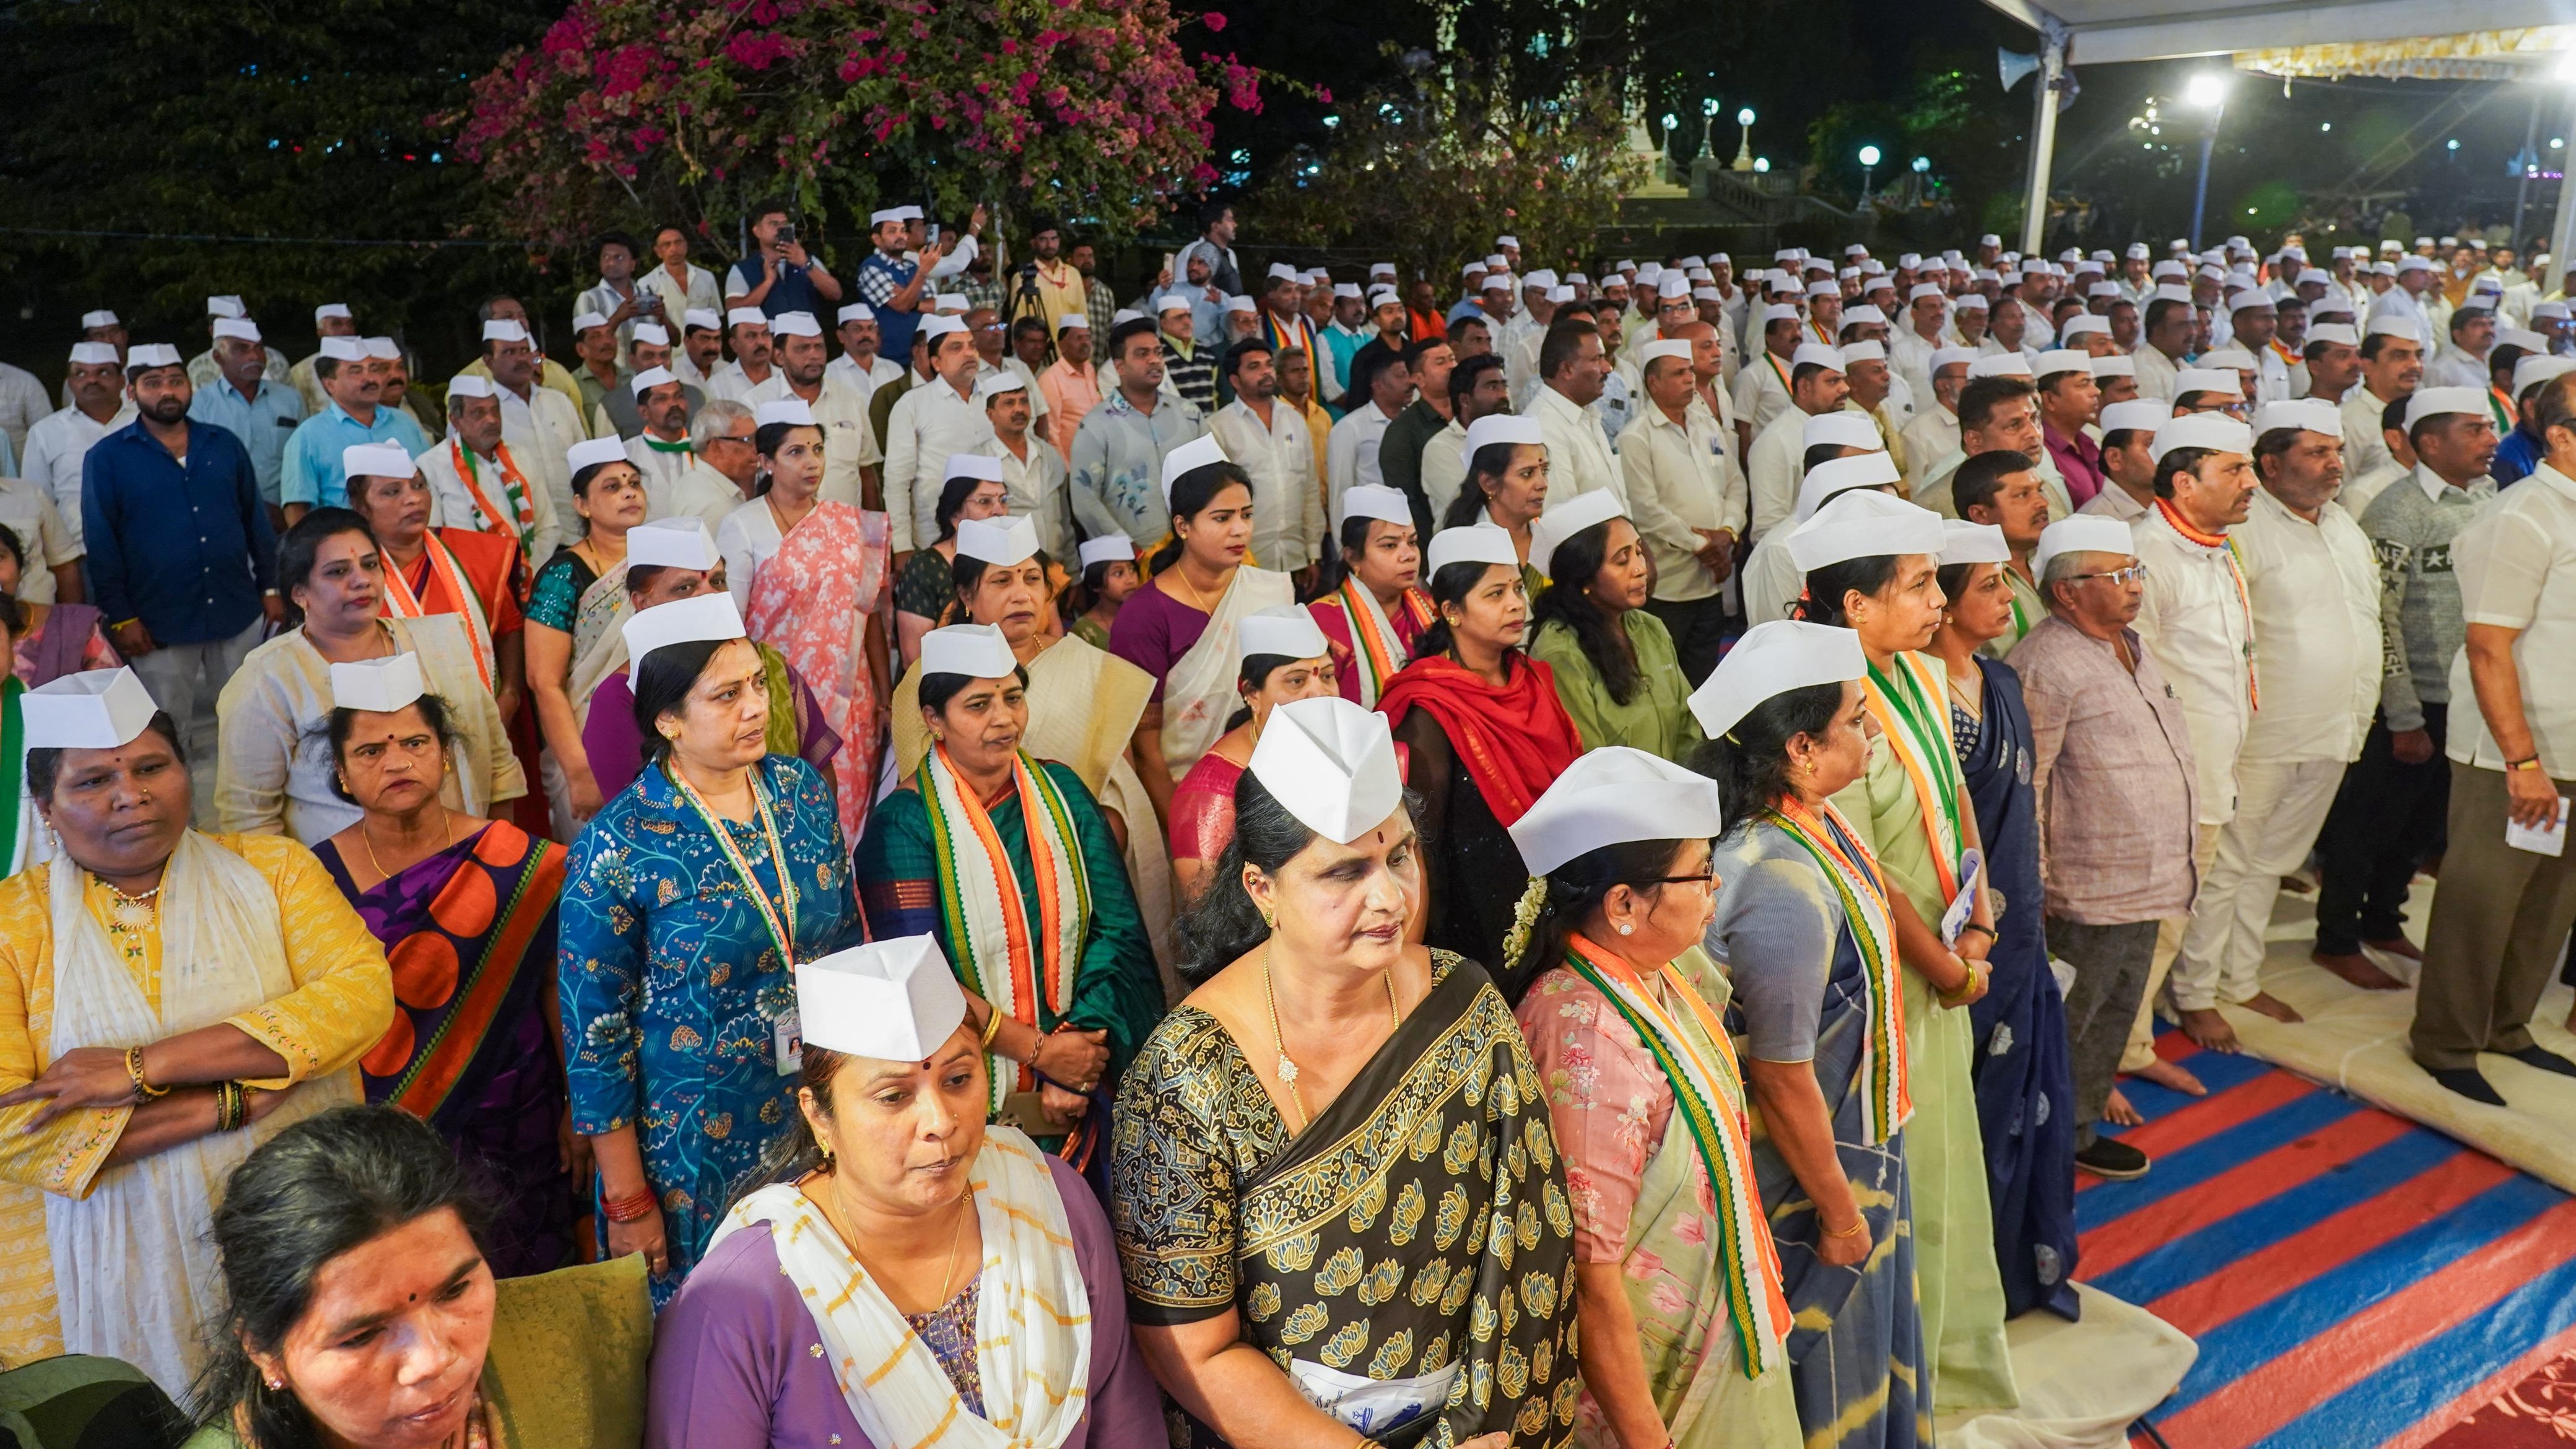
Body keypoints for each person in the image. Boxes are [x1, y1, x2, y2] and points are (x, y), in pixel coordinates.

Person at [1112, 696, 1577, 1449]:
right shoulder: (1183, 1082)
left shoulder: (1464, 1006)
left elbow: (1528, 1248)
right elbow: (1186, 1346)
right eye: (1344, 872)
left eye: (1399, 855)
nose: (1390, 898)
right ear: (1262, 889)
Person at [0, 670, 393, 1390]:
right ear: (45, 809)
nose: (132, 794)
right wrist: (229, 1102)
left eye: (153, 767)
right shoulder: (11, 924)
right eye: (91, 782)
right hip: (101, 1271)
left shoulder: (272, 871)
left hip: (301, 1224)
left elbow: (361, 996)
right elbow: (15, 1127)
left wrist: (141, 1067)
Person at [648, 936, 1162, 1448]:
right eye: (894, 1096)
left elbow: (1127, 1426)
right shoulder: (742, 1297)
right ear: (818, 1116)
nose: (941, 1121)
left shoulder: (1050, 1203)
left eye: (959, 1079)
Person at [1785, 490, 2016, 1414]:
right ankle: (1910, 1380)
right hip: (1886, 981)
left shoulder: (1918, 676)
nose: (1937, 603)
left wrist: (1983, 916)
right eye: (1920, 586)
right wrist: (1945, 964)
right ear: (1855, 606)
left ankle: (1959, 1359)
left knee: (1953, 1165)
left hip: (1948, 961)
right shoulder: (1831, 703)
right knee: (1908, 1170)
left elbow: (1955, 803)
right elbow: (1862, 868)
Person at [560, 594, 861, 1303]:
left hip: (815, 1103)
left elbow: (843, 941)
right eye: (726, 696)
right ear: (667, 721)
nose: (755, 707)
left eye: (757, 685)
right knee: (717, 1324)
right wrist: (629, 1200)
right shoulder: (620, 844)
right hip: (690, 1140)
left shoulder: (799, 794)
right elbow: (594, 1037)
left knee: (828, 1308)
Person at [1506, 748, 1801, 1449]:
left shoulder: (1654, 975)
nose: (1715, 886)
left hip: (1710, 1319)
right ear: (1624, 905)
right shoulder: (1584, 1037)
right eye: (1699, 872)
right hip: (1657, 1379)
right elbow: (1589, 1269)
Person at [1686, 622, 1929, 1447]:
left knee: (1868, 1345)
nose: (1870, 732)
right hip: (1813, 1169)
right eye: (1856, 720)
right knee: (1831, 1367)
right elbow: (1782, 1075)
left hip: (1857, 1141)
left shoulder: (1813, 822)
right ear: (1801, 746)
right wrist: (1838, 1211)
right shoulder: (1780, 879)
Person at [307, 657, 573, 1277]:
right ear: (343, 776)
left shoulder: (519, 860)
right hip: (389, 1131)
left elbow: (557, 988)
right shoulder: (310, 879)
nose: (396, 761)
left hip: (520, 1114)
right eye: (370, 751)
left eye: (415, 742)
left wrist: (575, 1107)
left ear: (446, 755)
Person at [185, 1105, 653, 1449]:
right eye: (362, 1335)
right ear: (266, 1354)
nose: (433, 1360)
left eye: (454, 1290)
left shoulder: (599, 1336)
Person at [856, 624, 1161, 1151]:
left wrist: (1079, 1053)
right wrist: (1039, 1053)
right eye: (978, 705)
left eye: (1013, 698)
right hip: (963, 1092)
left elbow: (1117, 930)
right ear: (934, 720)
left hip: (1086, 1078)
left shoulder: (1063, 793)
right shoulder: (904, 825)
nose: (1004, 718)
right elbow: (917, 977)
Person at [2169, 400, 2378, 1050]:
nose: (2332, 464)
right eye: (2315, 453)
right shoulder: (2245, 527)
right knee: (2227, 866)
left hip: (2332, 727)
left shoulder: (2341, 524)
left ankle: (2237, 978)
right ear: (2269, 464)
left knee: (2270, 863)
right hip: (2260, 733)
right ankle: (2193, 994)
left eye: (2334, 451)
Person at [2011, 516, 2199, 1179]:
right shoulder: (2043, 663)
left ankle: (2078, 1128)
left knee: (2116, 1013)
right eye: (2113, 577)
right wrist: (2029, 885)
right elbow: (2026, 784)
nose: (2131, 588)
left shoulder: (2131, 645)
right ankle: (2034, 1147)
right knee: (2066, 1024)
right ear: (2065, 592)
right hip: (2081, 887)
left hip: (2144, 876)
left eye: (2133, 573)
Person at [1925, 521, 2079, 1316]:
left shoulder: (2003, 682)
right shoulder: (1917, 696)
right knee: (1965, 1096)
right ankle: (1959, 1289)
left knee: (2028, 1093)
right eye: (1987, 584)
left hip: (2016, 918)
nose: (2006, 596)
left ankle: (2018, 1266)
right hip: (1956, 927)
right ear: (1941, 605)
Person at [2409, 371, 2576, 1103]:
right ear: (2562, 436)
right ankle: (2445, 1040)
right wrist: (2522, 760)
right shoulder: (2523, 515)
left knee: (2548, 902)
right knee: (2483, 896)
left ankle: (2506, 1027)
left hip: (2569, 747)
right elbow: (2486, 648)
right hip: (2516, 751)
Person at [2316, 390, 2500, 986]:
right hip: (2414, 701)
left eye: (2490, 428)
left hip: (2468, 697)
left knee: (2424, 826)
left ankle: (2383, 921)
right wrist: (2403, 714)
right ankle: (2337, 937)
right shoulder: (2396, 512)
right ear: (2429, 442)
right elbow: (2381, 615)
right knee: (2369, 825)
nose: (2490, 440)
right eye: (2474, 430)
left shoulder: (2489, 498)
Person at [215, 511, 519, 845]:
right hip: (338, 885)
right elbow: (248, 816)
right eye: (338, 572)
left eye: (371, 565)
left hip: (466, 860)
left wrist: (497, 854)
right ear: (300, 593)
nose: (362, 580)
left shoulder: (440, 641)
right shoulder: (269, 677)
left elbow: (498, 763)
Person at [2117, 412, 2263, 1100]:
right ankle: (2122, 1049)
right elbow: (2134, 678)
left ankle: (2128, 1037)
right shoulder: (2148, 556)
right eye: (2232, 470)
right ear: (2182, 481)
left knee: (2174, 916)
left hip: (2213, 762)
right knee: (2156, 922)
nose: (2249, 483)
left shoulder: (2215, 546)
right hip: (2171, 776)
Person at [79, 346, 283, 794]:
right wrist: (123, 616)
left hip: (236, 607)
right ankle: (179, 827)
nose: (168, 391)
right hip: (157, 618)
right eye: (154, 383)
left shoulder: (222, 443)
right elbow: (102, 545)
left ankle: (253, 813)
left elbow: (256, 523)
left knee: (252, 718)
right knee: (166, 732)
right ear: (132, 392)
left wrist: (271, 586)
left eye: (176, 380)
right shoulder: (108, 457)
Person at [1381, 522, 1584, 964]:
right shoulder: (1430, 706)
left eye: (1516, 588)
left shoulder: (1533, 679)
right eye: (1495, 595)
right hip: (1477, 910)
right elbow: (1422, 842)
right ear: (1452, 610)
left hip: (1557, 883)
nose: (1516, 604)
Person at [722, 399, 894, 845]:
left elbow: (869, 612)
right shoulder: (742, 526)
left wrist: (884, 694)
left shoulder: (847, 525)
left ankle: (851, 909)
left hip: (847, 697)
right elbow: (732, 627)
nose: (811, 462)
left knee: (849, 819)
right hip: (775, 694)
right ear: (766, 462)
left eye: (817, 449)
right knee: (786, 818)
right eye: (795, 452)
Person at [580, 518, 835, 802]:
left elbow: (819, 775)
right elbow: (634, 814)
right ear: (643, 603)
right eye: (685, 588)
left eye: (717, 581)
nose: (709, 597)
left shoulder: (767, 666)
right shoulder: (621, 696)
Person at [1108, 442, 1295, 822]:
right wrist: (1184, 828)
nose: (1240, 529)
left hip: (1274, 791)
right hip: (1183, 795)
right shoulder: (1144, 615)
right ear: (1182, 526)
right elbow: (1145, 749)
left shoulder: (1272, 592)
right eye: (1222, 518)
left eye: (1246, 515)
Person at [1167, 606, 1341, 903]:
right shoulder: (1211, 794)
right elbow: (1214, 916)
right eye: (1297, 681)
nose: (1319, 693)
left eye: (1327, 676)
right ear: (1251, 693)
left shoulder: (1347, 748)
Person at [523, 439, 651, 828]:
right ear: (582, 505)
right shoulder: (563, 574)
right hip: (587, 744)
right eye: (611, 486)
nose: (628, 491)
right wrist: (580, 772)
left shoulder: (659, 563)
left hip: (660, 736)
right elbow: (544, 682)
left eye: (633, 482)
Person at [1524, 490, 1703, 760]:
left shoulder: (1650, 628)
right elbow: (1591, 762)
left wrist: (1686, 788)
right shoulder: (1561, 655)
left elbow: (1688, 726)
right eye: (1622, 560)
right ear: (1583, 578)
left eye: (1639, 552)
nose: (1640, 568)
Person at [1621, 339, 1746, 684]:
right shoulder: (1637, 437)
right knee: (1666, 679)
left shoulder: (1707, 426)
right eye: (1678, 373)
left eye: (1690, 370)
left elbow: (1735, 483)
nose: (1690, 379)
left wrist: (1728, 533)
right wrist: (1701, 546)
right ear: (1653, 383)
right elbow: (1645, 509)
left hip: (1713, 580)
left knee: (1705, 675)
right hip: (1669, 586)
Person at [1071, 317, 1208, 547]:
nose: (1154, 360)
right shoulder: (1096, 425)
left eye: (1158, 352)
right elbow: (1084, 500)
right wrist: (1125, 548)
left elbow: (1213, 476)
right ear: (1119, 367)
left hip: (1196, 550)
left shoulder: (1189, 414)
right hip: (1135, 560)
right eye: (1142, 354)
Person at [419, 376, 561, 575]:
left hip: (527, 577)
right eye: (479, 413)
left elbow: (548, 525)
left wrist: (530, 572)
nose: (492, 420)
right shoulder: (431, 465)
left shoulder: (521, 457)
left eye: (495, 410)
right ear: (455, 420)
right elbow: (433, 538)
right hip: (469, 581)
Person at [1211, 337, 1325, 581]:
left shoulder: (1294, 419)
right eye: (1254, 367)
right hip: (1246, 562)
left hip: (1296, 557)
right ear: (1234, 381)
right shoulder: (1219, 427)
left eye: (1268, 365)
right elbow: (1215, 504)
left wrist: (1313, 552)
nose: (1265, 372)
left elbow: (1310, 489)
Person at [1310, 484, 1433, 708]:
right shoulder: (1321, 623)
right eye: (1389, 545)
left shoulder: (1431, 608)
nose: (1409, 555)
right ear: (1353, 558)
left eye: (1412, 542)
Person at [892, 458, 1011, 663]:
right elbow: (914, 658)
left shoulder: (1016, 558)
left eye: (1003, 500)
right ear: (955, 514)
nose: (999, 510)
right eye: (985, 502)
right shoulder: (926, 567)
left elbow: (1049, 633)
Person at [1440, 414, 1553, 590]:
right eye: (1527, 474)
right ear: (1488, 483)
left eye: (1544, 470)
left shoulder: (1552, 538)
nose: (1543, 484)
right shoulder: (1467, 551)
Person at [1072, 533, 1138, 650]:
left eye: (1132, 570)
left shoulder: (1148, 613)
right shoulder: (1084, 630)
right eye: (1119, 573)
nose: (1130, 579)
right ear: (1096, 584)